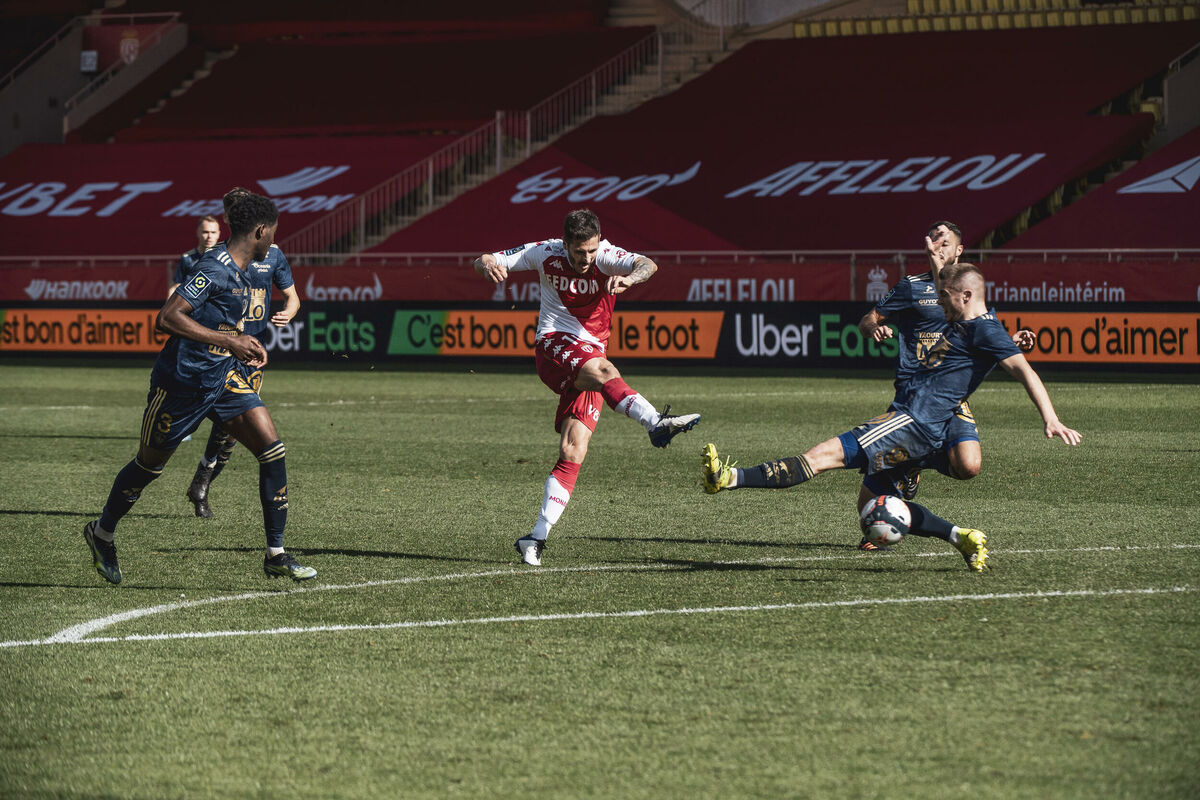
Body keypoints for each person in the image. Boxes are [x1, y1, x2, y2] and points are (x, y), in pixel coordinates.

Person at [702, 263, 1081, 573]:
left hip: (912, 424)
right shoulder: (969, 325)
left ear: (966, 296)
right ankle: (962, 537)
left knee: (819, 457)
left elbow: (1025, 370)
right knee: (874, 503)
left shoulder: (984, 328)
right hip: (919, 424)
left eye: (946, 297)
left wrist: (1050, 418)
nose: (940, 304)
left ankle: (728, 478)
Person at [83, 193, 316, 585]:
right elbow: (167, 317)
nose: (274, 240)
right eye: (273, 232)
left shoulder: (249, 268)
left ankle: (275, 554)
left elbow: (226, 323)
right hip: (182, 383)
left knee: (272, 450)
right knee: (148, 467)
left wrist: (246, 344)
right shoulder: (214, 267)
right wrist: (229, 341)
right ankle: (102, 533)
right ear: (260, 231)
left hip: (223, 378)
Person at [474, 208, 701, 566]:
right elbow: (488, 258)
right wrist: (486, 262)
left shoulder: (607, 257)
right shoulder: (544, 252)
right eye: (580, 252)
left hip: (589, 358)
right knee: (605, 370)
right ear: (565, 244)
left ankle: (534, 538)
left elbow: (648, 264)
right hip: (553, 345)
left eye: (592, 251)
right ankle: (654, 422)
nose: (587, 259)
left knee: (573, 449)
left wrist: (631, 279)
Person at [855, 221, 1033, 550]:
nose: (937, 244)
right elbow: (869, 319)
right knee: (865, 503)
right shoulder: (911, 287)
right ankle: (896, 496)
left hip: (951, 395)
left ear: (959, 250)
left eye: (945, 240)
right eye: (933, 238)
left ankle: (914, 463)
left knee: (969, 466)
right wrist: (874, 328)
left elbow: (980, 333)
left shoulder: (965, 288)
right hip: (913, 394)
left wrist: (1010, 342)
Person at [184, 187, 301, 518]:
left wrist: (289, 311)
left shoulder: (272, 255)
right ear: (229, 218)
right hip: (220, 351)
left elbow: (293, 296)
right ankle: (198, 476)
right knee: (225, 421)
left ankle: (203, 480)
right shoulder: (217, 259)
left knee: (233, 433)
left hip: (252, 351)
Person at [167, 215, 221, 298]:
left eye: (213, 232)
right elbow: (176, 287)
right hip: (193, 304)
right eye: (205, 232)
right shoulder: (187, 258)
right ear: (198, 232)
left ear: (218, 234)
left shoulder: (226, 258)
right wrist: (168, 305)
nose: (209, 236)